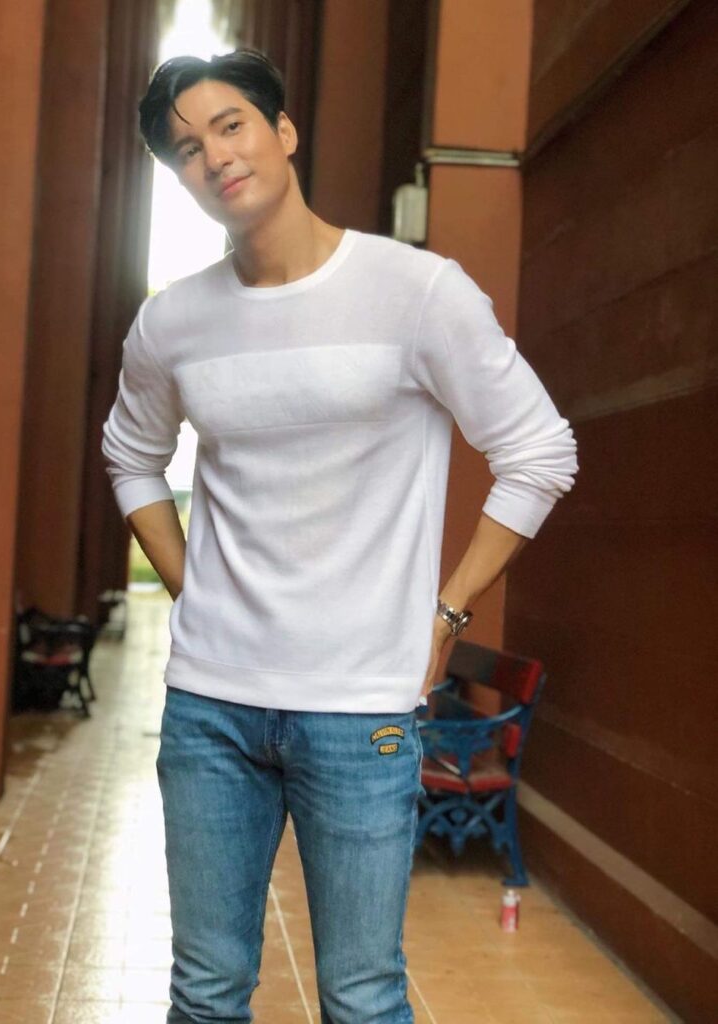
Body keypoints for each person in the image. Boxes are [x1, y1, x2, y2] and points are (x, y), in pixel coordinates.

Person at [101, 47, 578, 1024]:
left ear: (282, 131)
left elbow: (540, 451)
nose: (213, 156)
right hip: (210, 710)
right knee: (203, 994)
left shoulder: (418, 292)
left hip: (361, 711)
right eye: (185, 149)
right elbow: (130, 457)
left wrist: (448, 612)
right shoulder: (172, 324)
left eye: (230, 125)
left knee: (361, 999)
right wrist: (196, 588)